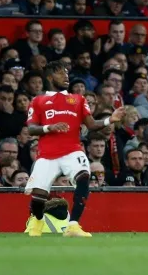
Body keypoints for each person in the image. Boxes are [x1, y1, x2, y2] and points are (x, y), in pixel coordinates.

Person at [25, 61, 126, 238]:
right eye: (60, 73)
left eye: (66, 72)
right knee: (38, 196)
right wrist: (50, 127)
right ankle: (37, 220)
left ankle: (73, 225)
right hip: (47, 154)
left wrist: (111, 119)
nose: (66, 76)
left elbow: (92, 124)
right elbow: (32, 129)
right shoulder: (38, 101)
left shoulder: (78, 99)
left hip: (72, 150)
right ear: (49, 77)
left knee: (83, 177)